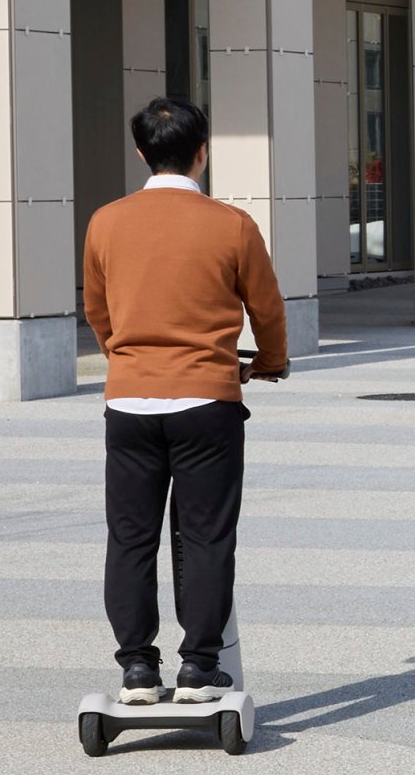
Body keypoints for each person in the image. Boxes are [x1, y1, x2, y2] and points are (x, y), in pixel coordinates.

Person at [84, 97, 291, 706]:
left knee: (130, 537)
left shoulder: (106, 222)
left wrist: (124, 358)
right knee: (204, 536)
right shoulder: (232, 225)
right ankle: (200, 667)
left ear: (141, 151)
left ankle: (137, 670)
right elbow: (268, 309)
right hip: (207, 399)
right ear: (203, 152)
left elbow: (99, 311)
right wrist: (270, 362)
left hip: (130, 402)